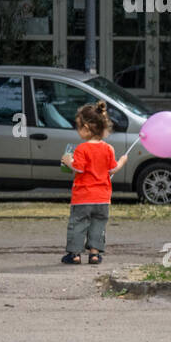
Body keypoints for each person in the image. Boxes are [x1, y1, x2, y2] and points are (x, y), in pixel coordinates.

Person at [60, 101, 127, 265]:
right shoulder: (108, 148)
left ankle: (75, 254)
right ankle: (95, 254)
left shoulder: (82, 149)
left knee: (78, 225)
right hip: (102, 198)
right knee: (98, 225)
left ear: (87, 128)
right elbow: (112, 170)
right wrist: (122, 161)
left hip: (83, 197)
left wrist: (68, 161)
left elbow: (79, 168)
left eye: (78, 126)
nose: (77, 130)